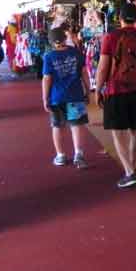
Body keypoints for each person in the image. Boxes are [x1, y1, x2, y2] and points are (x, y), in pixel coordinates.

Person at [95, 2, 136, 189]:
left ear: (119, 18)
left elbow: (104, 65)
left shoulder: (111, 37)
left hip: (116, 89)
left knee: (118, 132)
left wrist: (98, 88)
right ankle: (131, 166)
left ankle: (129, 172)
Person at [42, 27, 90, 168]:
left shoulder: (49, 56)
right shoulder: (76, 53)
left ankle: (60, 155)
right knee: (77, 125)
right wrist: (88, 90)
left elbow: (47, 79)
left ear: (51, 41)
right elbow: (84, 73)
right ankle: (78, 154)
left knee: (57, 126)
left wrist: (45, 98)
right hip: (75, 96)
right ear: (65, 38)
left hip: (57, 97)